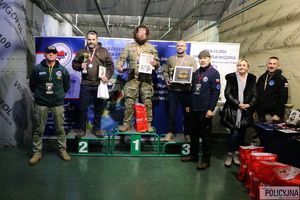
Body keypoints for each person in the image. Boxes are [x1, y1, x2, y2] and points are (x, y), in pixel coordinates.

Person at [29, 45, 71, 165]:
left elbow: (67, 85)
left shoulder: (62, 70)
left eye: (53, 52)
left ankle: (63, 150)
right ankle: (37, 152)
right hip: (41, 103)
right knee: (39, 129)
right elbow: (32, 85)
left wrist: (60, 95)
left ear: (57, 55)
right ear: (45, 54)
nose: (51, 54)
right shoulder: (37, 69)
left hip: (57, 103)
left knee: (60, 129)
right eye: (49, 52)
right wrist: (39, 96)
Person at [181, 50, 221, 170]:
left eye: (205, 58)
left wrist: (211, 109)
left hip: (205, 110)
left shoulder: (214, 73)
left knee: (205, 136)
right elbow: (191, 90)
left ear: (209, 59)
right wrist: (188, 104)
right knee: (193, 134)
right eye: (200, 58)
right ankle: (193, 155)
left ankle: (205, 160)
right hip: (193, 109)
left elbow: (215, 92)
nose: (203, 60)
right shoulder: (196, 73)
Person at [116, 25, 160, 132]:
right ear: (135, 34)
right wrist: (119, 66)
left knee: (147, 102)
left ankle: (148, 125)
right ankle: (127, 124)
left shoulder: (151, 48)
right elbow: (121, 59)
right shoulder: (129, 47)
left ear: (147, 35)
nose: (141, 35)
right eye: (139, 33)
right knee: (129, 102)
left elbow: (158, 63)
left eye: (144, 34)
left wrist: (155, 63)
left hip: (146, 80)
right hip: (132, 79)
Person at [72, 30, 114, 138]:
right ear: (87, 39)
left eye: (93, 39)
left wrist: (107, 77)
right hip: (85, 84)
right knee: (82, 108)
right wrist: (80, 66)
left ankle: (97, 129)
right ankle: (81, 130)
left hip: (99, 84)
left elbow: (111, 67)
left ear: (97, 39)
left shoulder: (104, 51)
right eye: (89, 39)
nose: (91, 41)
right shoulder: (82, 51)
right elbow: (74, 64)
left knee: (98, 108)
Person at [221, 59, 257, 167]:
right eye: (239, 65)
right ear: (237, 66)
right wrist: (238, 104)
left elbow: (255, 94)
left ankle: (237, 154)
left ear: (247, 67)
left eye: (244, 65)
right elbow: (227, 93)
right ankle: (230, 154)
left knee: (241, 134)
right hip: (233, 111)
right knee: (234, 133)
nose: (241, 67)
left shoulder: (252, 78)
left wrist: (249, 104)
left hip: (246, 111)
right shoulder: (231, 77)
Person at [163, 40, 197, 141]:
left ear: (186, 48)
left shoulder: (191, 60)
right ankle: (170, 132)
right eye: (178, 45)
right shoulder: (171, 59)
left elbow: (194, 75)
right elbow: (165, 72)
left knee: (187, 114)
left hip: (186, 91)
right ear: (176, 47)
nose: (180, 47)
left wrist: (189, 81)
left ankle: (187, 133)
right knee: (171, 113)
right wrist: (167, 79)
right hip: (173, 90)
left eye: (182, 45)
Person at [256, 56, 288, 123]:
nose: (271, 66)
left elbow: (283, 98)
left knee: (270, 133)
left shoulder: (282, 80)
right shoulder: (262, 78)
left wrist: (278, 114)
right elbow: (257, 94)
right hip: (260, 114)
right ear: (267, 65)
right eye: (270, 63)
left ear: (278, 66)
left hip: (273, 115)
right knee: (258, 133)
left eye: (274, 64)